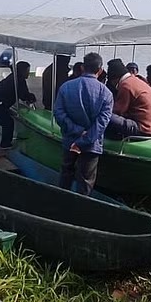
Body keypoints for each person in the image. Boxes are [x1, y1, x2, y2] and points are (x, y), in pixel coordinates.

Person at [53, 52, 113, 195]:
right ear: (100, 70)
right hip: (91, 144)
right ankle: (82, 210)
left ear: (81, 68)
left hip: (70, 140)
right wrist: (85, 138)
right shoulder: (106, 93)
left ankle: (60, 204)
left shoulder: (66, 87)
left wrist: (77, 131)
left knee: (66, 174)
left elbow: (59, 114)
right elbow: (102, 123)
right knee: (86, 182)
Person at [0, 61, 36, 158]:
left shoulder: (12, 77)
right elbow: (24, 95)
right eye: (27, 70)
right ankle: (5, 144)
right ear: (23, 71)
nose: (28, 73)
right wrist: (31, 98)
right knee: (8, 122)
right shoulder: (19, 80)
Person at [105, 59, 151, 139]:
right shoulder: (135, 80)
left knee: (105, 114)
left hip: (142, 129)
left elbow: (118, 111)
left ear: (114, 79)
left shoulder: (125, 85)